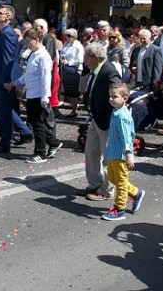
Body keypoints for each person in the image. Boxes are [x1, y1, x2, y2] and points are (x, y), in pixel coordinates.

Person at [76, 42, 122, 201]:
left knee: (109, 157)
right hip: (96, 118)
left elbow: (119, 93)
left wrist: (113, 115)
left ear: (95, 58)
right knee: (91, 151)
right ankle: (95, 183)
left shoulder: (109, 71)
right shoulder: (96, 70)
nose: (85, 61)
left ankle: (106, 190)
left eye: (86, 57)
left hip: (106, 120)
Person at [9, 29, 61, 164]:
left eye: (29, 42)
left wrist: (45, 97)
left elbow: (46, 78)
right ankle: (52, 142)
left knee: (37, 123)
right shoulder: (34, 54)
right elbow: (28, 75)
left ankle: (40, 152)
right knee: (35, 121)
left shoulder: (43, 55)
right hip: (32, 93)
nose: (27, 45)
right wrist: (16, 83)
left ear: (36, 40)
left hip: (39, 94)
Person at [0, 5, 33, 153]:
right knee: (5, 108)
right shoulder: (3, 32)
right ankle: (24, 132)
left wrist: (7, 79)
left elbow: (9, 59)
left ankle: (6, 141)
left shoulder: (8, 33)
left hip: (5, 77)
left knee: (5, 109)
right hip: (1, 76)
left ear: (8, 16)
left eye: (0, 13)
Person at [100, 83, 145, 221]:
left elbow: (127, 137)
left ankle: (119, 209)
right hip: (113, 152)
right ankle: (136, 193)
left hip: (121, 155)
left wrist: (129, 154)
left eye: (114, 97)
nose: (111, 99)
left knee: (120, 182)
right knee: (113, 178)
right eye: (110, 96)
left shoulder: (123, 116)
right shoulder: (116, 112)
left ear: (124, 98)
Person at [60, 28, 84, 118]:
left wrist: (69, 62)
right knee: (66, 90)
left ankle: (74, 110)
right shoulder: (66, 44)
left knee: (73, 91)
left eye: (69, 36)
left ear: (74, 36)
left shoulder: (78, 46)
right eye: (66, 35)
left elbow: (80, 60)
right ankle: (73, 105)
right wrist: (62, 58)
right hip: (66, 69)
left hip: (74, 69)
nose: (67, 37)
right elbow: (62, 53)